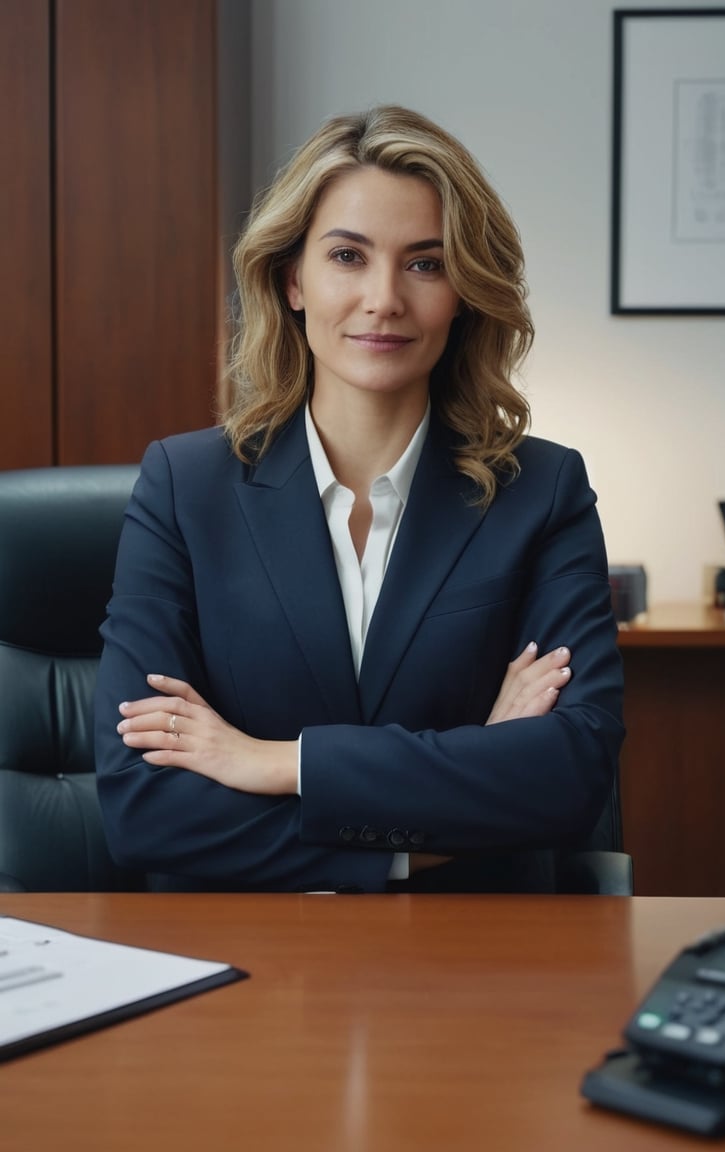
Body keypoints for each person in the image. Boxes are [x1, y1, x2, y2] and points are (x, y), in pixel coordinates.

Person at [94, 105, 624, 893]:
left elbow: (570, 778)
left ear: (465, 293)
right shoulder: (184, 486)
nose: (383, 300)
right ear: (293, 280)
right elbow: (146, 809)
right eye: (348, 255)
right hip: (244, 966)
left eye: (425, 264)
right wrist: (459, 794)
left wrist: (274, 762)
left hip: (479, 957)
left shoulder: (542, 492)